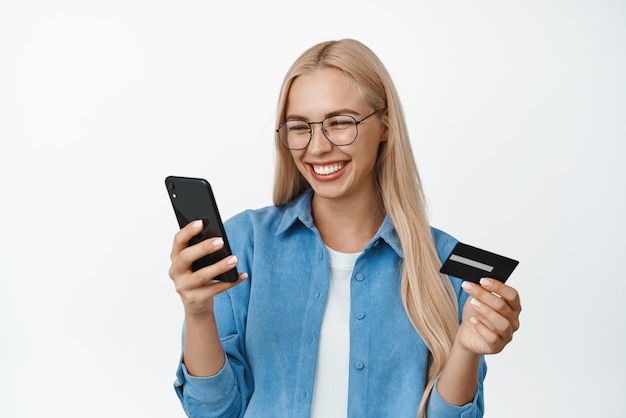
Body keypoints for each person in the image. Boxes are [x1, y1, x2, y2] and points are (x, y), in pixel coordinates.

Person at [168, 38, 522, 418]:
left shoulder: (448, 265)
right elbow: (213, 413)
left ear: (384, 126)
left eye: (340, 123)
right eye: (300, 127)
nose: (317, 147)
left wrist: (466, 348)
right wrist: (199, 313)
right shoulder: (244, 244)